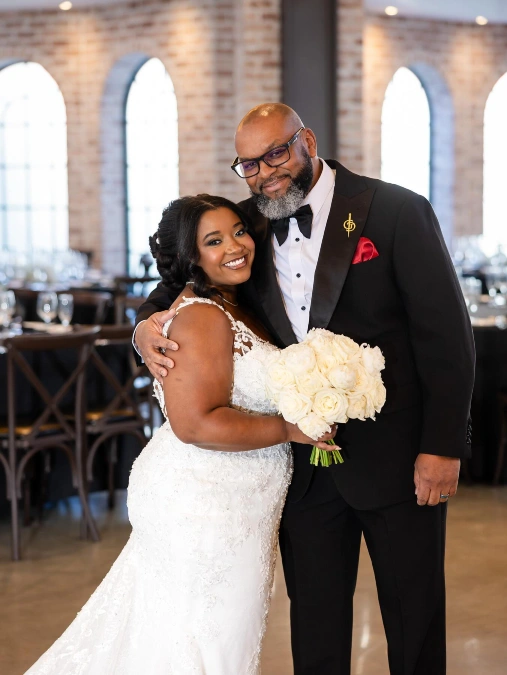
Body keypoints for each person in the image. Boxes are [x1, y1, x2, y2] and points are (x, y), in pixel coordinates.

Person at [135, 104, 475, 675]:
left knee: (414, 621)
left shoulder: (396, 210)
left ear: (307, 142)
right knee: (315, 630)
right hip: (302, 471)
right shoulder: (244, 226)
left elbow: (447, 336)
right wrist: (143, 327)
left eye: (276, 153)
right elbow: (177, 283)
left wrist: (443, 446)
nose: (265, 173)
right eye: (248, 164)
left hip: (399, 459)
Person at [25, 194, 336, 675]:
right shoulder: (203, 315)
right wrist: (290, 428)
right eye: (214, 241)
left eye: (238, 231)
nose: (235, 246)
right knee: (198, 645)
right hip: (206, 504)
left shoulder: (237, 301)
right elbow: (194, 424)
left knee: (199, 640)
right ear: (191, 257)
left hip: (239, 500)